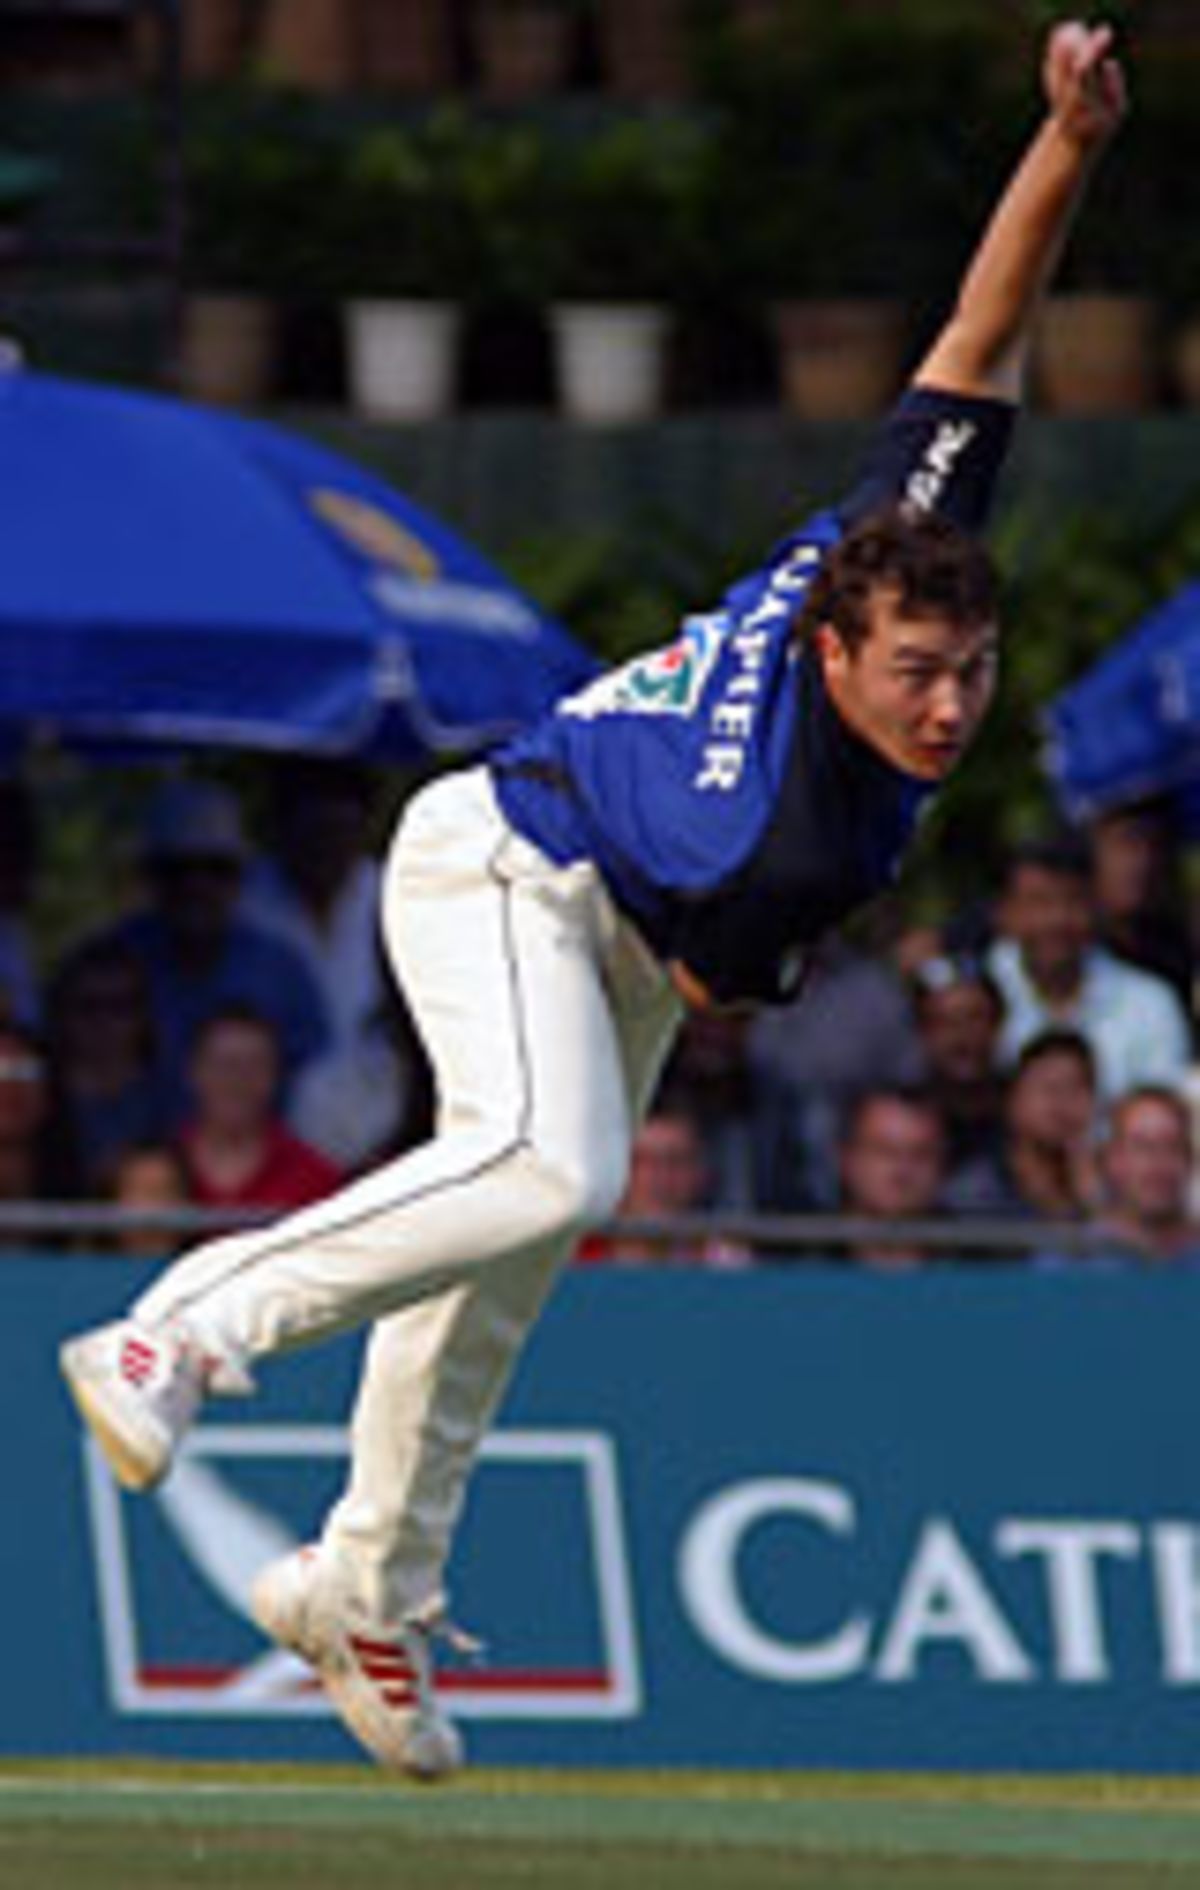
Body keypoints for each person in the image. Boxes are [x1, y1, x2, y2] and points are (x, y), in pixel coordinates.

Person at [60, 22, 1127, 1782]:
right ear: (836, 644)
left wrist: (1068, 144)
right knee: (554, 1169)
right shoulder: (802, 844)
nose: (952, 707)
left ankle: (365, 1590)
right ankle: (182, 1329)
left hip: (616, 910)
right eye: (920, 673)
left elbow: (978, 333)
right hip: (503, 859)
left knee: (511, 1250)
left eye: (975, 674)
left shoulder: (889, 528)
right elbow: (714, 991)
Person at [76, 778, 332, 1129]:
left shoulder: (281, 970)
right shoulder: (113, 961)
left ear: (238, 877)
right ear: (152, 876)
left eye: (214, 869)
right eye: (178, 869)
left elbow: (311, 1084)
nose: (196, 885)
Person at [987, 832, 1191, 1100]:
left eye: (1073, 901)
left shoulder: (1150, 1004)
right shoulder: (975, 993)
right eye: (1040, 902)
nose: (1057, 920)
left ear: (1097, 907)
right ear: (1005, 912)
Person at [178, 1006, 344, 1213]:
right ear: (193, 1072)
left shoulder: (317, 1177)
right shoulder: (152, 1169)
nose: (237, 1081)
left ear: (276, 1076)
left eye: (254, 1066)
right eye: (224, 1065)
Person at [836, 1086, 947, 1271]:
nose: (903, 1171)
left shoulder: (980, 1269)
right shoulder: (795, 1266)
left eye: (920, 1154)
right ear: (847, 1160)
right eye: (885, 1152)